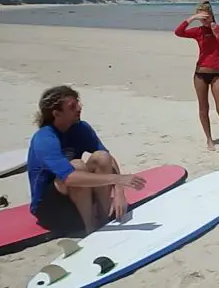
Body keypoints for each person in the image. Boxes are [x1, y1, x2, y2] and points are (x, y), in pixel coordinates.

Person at [27, 85, 147, 235]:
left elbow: (108, 160)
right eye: (72, 107)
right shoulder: (45, 138)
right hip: (51, 209)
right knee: (76, 166)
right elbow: (69, 178)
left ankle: (104, 219)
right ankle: (90, 229)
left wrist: (119, 192)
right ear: (56, 113)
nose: (79, 108)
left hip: (79, 200)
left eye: (78, 103)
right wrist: (118, 178)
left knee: (101, 157)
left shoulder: (80, 128)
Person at [174, 1, 219, 151]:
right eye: (200, 17)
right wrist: (192, 18)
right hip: (200, 73)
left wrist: (216, 33)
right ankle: (209, 139)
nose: (203, 20)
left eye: (205, 16)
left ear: (211, 15)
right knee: (203, 108)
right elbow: (178, 32)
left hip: (216, 74)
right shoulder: (198, 31)